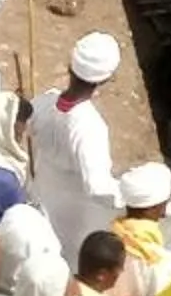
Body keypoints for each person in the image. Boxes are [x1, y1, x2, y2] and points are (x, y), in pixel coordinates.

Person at [29, 37, 123, 257]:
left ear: (70, 66)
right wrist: (132, 196)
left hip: (42, 192)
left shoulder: (44, 102)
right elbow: (98, 188)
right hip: (73, 213)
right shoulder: (89, 126)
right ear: (106, 78)